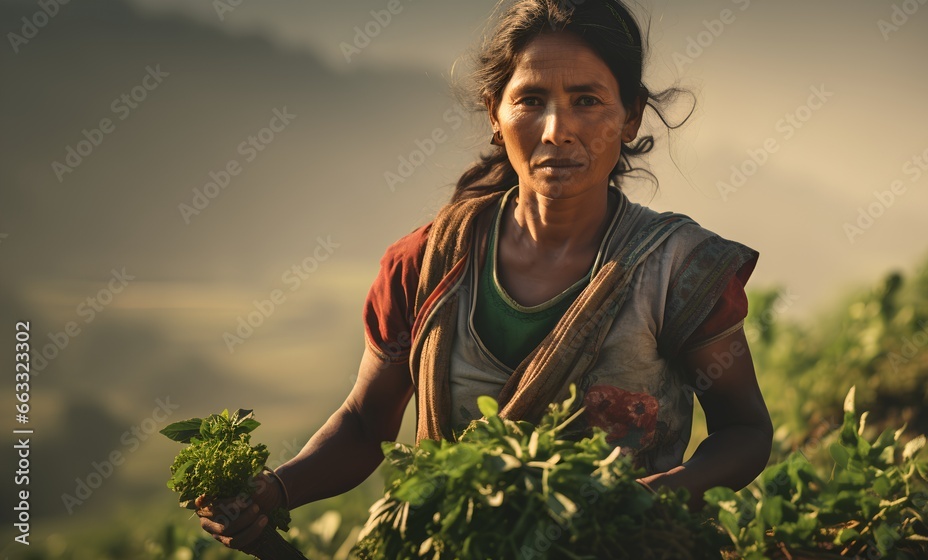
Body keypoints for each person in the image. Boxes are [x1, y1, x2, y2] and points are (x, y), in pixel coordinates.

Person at [196, 0, 772, 551]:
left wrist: (645, 500)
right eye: (531, 100)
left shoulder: (676, 269)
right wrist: (275, 489)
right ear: (496, 114)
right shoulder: (425, 264)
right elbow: (364, 423)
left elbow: (743, 431)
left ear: (630, 117)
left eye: (587, 100)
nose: (556, 129)